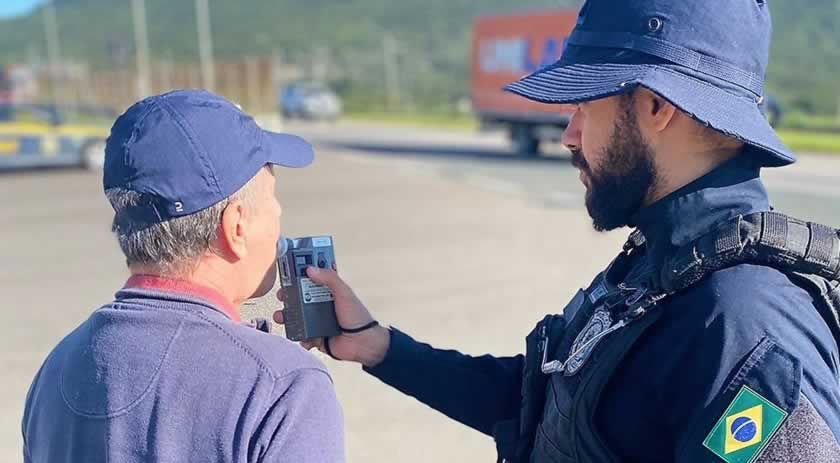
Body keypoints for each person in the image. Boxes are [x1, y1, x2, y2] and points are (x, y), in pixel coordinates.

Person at [275, 1, 840, 462]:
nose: (569, 135)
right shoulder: (666, 267)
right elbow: (550, 405)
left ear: (657, 107)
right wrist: (380, 347)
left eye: (584, 107)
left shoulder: (744, 328)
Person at [22, 90, 344, 463]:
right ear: (236, 226)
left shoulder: (57, 368)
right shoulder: (283, 388)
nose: (279, 210)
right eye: (272, 196)